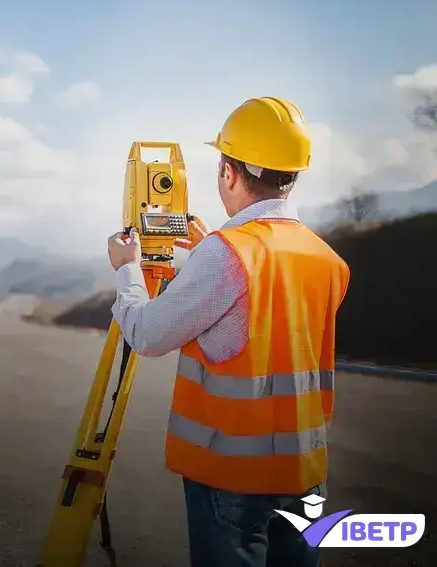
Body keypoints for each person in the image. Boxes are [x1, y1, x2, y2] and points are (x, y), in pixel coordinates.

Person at [106, 97, 350, 567]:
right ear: (291, 175)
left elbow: (148, 335)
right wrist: (210, 250)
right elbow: (267, 306)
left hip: (233, 475)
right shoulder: (324, 257)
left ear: (229, 172)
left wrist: (128, 271)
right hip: (304, 472)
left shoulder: (227, 255)